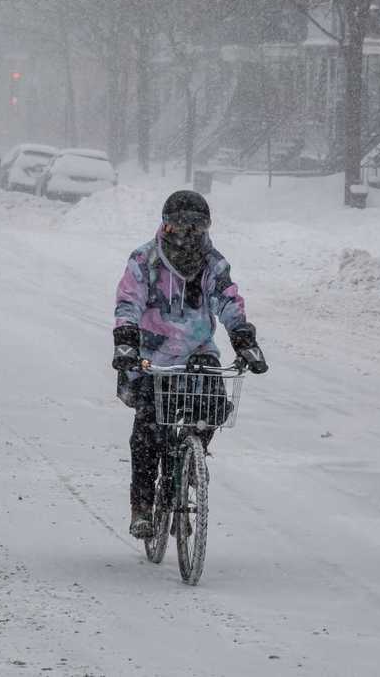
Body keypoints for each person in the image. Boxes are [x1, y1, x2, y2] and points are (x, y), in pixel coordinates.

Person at [111, 190, 268, 538]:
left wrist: (244, 339)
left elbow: (228, 300)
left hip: (198, 350)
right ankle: (143, 506)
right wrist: (125, 340)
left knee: (214, 406)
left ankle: (191, 458)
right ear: (167, 226)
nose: (189, 235)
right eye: (182, 226)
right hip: (153, 355)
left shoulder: (213, 264)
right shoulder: (145, 260)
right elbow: (128, 302)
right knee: (147, 432)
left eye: (198, 227)